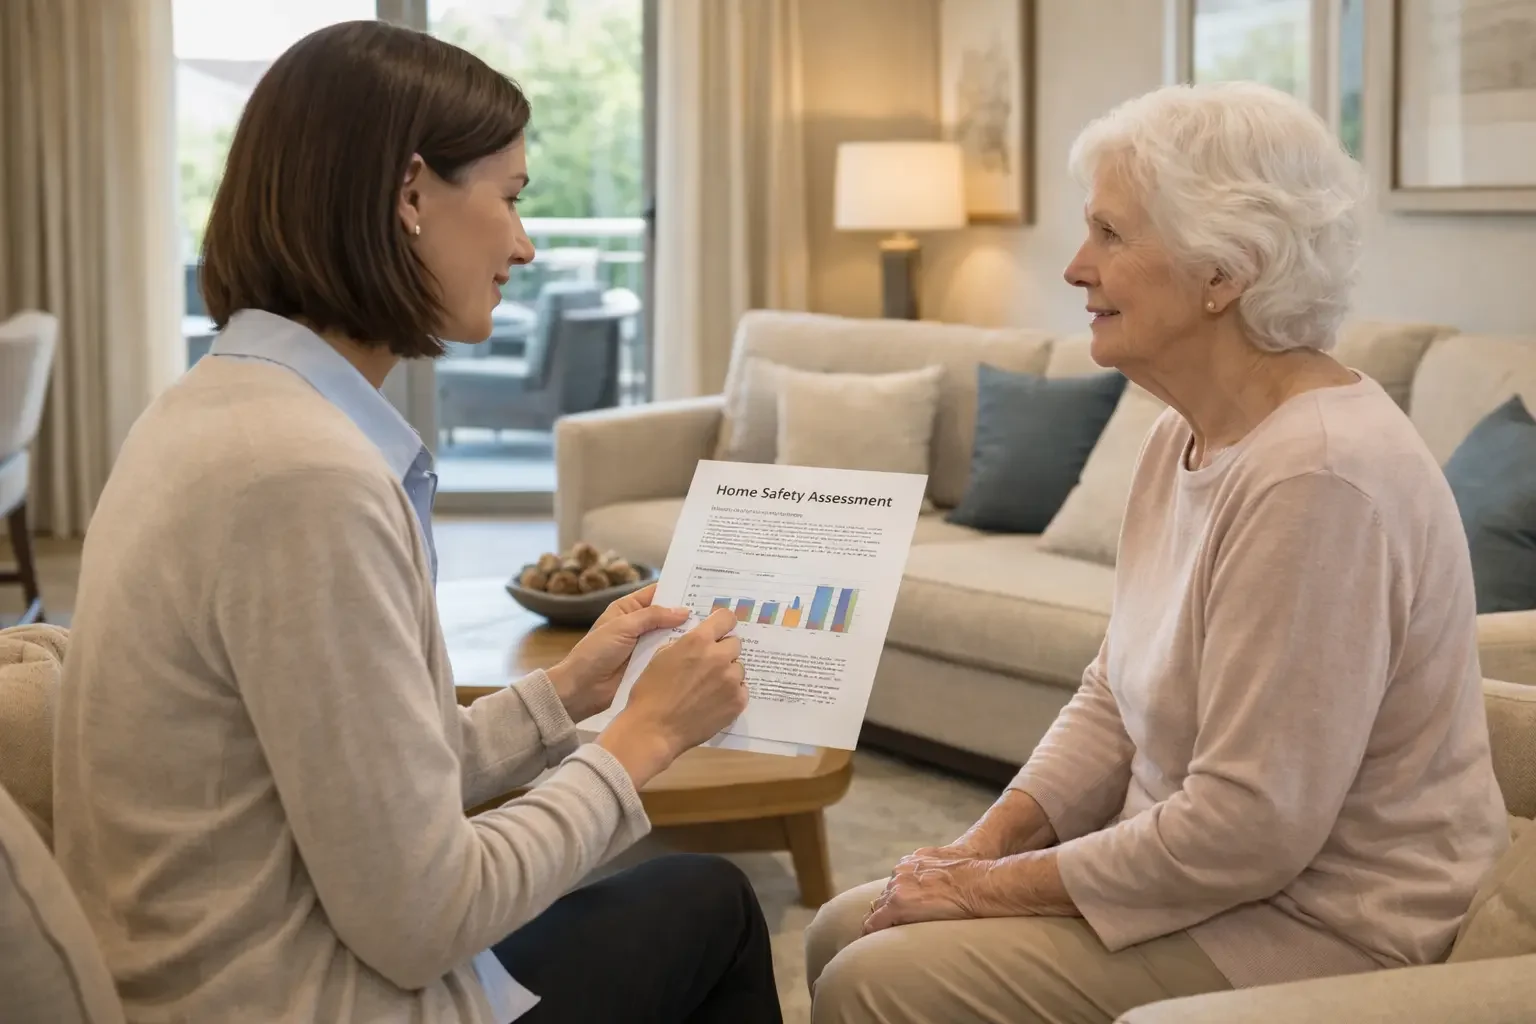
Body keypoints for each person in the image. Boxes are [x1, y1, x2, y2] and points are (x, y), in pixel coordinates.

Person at [52, 21, 782, 1024]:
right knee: (718, 903)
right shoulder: (303, 480)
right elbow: (427, 916)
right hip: (296, 1000)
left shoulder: (213, 409)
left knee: (691, 897)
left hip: (238, 965)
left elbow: (366, 780)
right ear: (408, 194)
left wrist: (567, 692)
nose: (525, 244)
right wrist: (638, 747)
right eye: (513, 198)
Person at [803, 81, 1510, 1024]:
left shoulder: (1318, 479)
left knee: (870, 973)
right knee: (844, 928)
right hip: (1217, 884)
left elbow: (1250, 832)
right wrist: (981, 847)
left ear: (1226, 271)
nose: (1073, 268)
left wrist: (980, 893)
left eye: (1109, 234)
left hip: (1323, 922)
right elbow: (1113, 698)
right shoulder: (1182, 434)